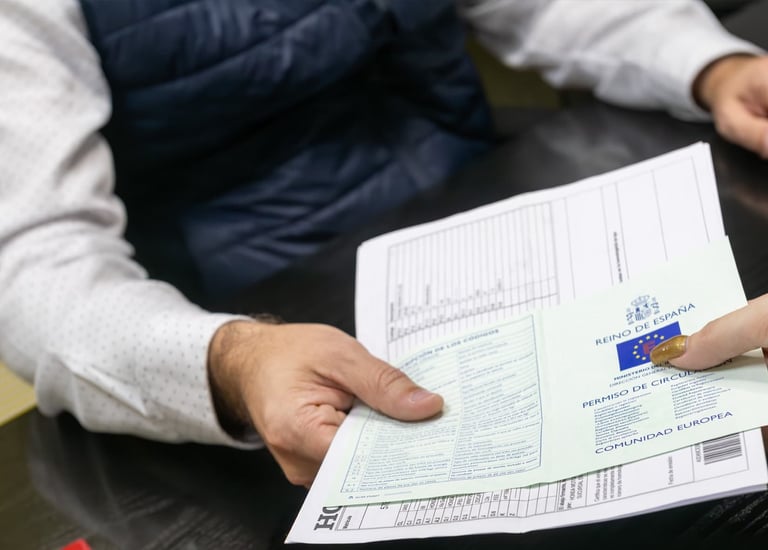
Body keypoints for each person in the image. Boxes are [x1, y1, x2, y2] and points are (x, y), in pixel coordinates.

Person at [1, 0, 767, 488]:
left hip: (498, 232)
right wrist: (228, 361)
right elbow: (35, 262)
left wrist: (709, 65)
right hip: (270, 339)